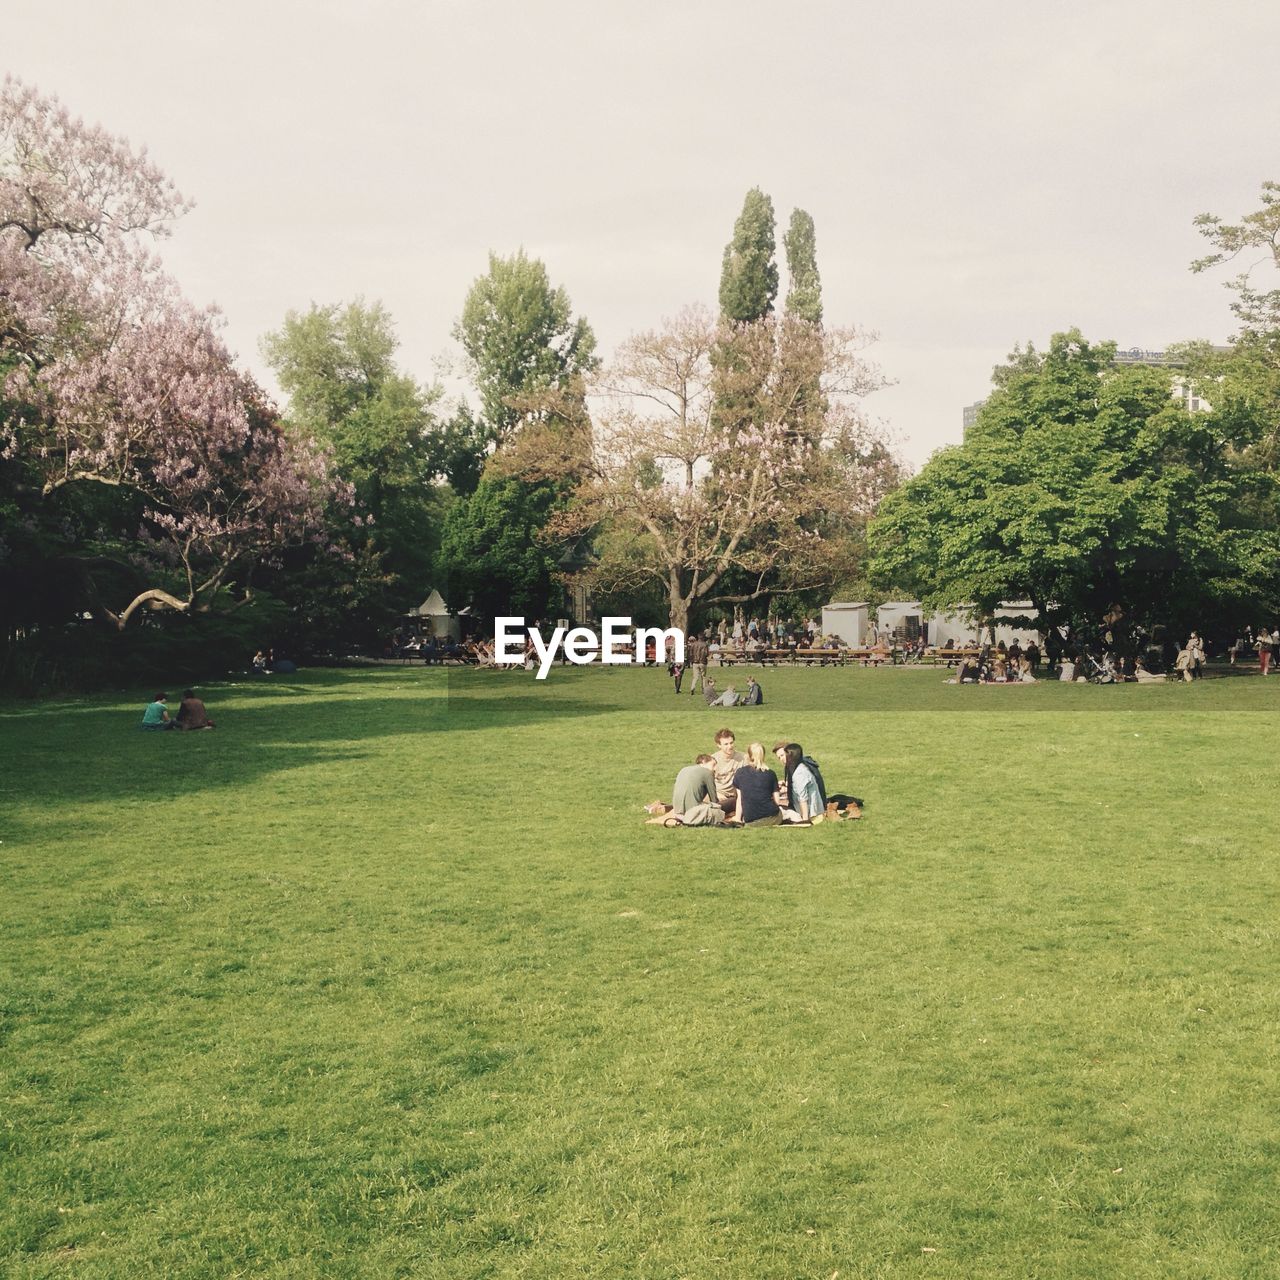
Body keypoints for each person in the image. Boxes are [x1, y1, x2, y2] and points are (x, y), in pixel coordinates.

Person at [646, 754, 724, 827]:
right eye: (713, 765)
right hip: (692, 813)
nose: (714, 768)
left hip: (677, 811)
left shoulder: (684, 769)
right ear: (703, 762)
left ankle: (663, 808)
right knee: (726, 806)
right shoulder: (707, 773)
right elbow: (714, 800)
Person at [729, 742, 783, 827]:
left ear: (749, 755)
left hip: (751, 820)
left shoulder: (740, 773)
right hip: (773, 817)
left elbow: (740, 799)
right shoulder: (770, 774)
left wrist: (738, 818)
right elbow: (777, 801)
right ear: (763, 755)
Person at [710, 729, 746, 813]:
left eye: (731, 743)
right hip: (717, 794)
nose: (730, 746)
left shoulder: (743, 758)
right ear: (719, 745)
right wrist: (716, 794)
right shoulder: (713, 760)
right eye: (726, 744)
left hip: (734, 796)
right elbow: (705, 782)